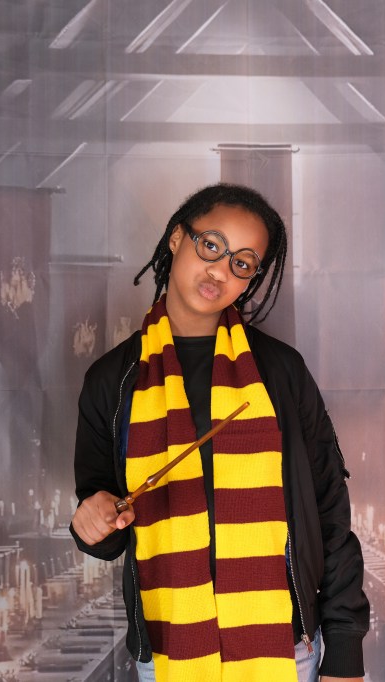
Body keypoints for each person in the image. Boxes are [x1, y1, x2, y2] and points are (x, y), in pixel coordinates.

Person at [70, 183, 369, 681]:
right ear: (176, 238)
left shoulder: (281, 372)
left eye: (243, 263)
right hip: (168, 654)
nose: (221, 270)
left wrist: (344, 647)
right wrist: (93, 521)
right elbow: (103, 526)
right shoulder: (113, 381)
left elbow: (330, 512)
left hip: (285, 649)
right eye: (211, 245)